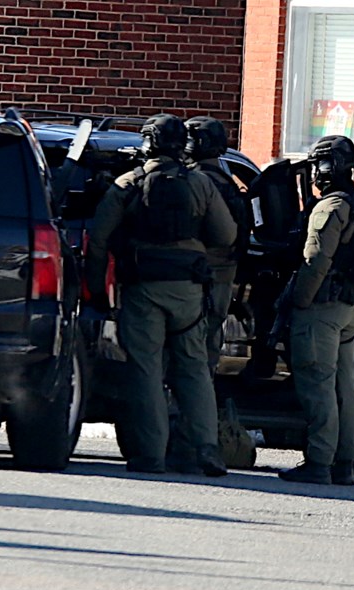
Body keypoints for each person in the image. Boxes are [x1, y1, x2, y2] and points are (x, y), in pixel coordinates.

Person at [86, 113, 235, 475]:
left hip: (143, 290)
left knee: (146, 370)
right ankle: (207, 449)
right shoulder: (201, 183)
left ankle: (151, 454)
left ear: (148, 142)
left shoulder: (129, 183)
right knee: (195, 369)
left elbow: (98, 240)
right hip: (189, 291)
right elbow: (226, 235)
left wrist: (96, 290)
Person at [278, 135, 354, 486]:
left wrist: (297, 302)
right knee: (343, 386)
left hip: (322, 308)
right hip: (351, 308)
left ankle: (319, 460)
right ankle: (344, 462)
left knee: (318, 385)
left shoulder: (331, 207)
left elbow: (315, 262)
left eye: (318, 165)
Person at [184, 116, 249, 374]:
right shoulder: (228, 180)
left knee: (189, 343)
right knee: (210, 341)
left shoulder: (195, 181)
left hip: (196, 273)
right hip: (223, 274)